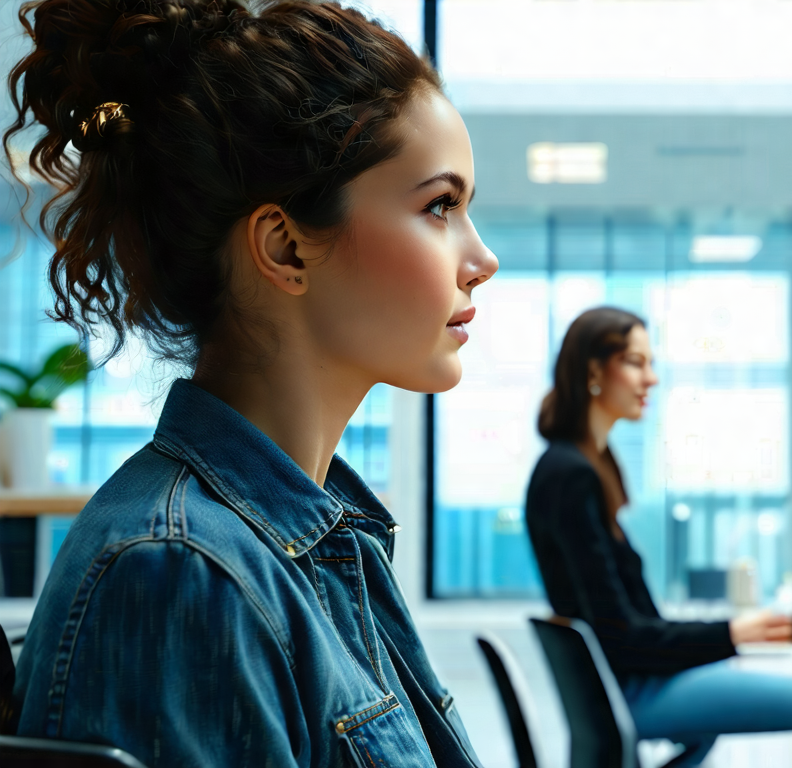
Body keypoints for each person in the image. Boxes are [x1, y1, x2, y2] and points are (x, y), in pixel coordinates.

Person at [2, 1, 498, 765]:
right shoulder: (180, 573)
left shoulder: (326, 541)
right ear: (285, 247)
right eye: (440, 206)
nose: (482, 259)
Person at [525, 307, 792, 766]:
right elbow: (623, 636)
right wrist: (733, 633)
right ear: (593, 371)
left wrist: (733, 635)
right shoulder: (570, 475)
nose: (651, 379)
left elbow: (629, 627)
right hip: (634, 692)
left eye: (651, 364)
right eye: (635, 362)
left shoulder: (583, 467)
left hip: (633, 685)